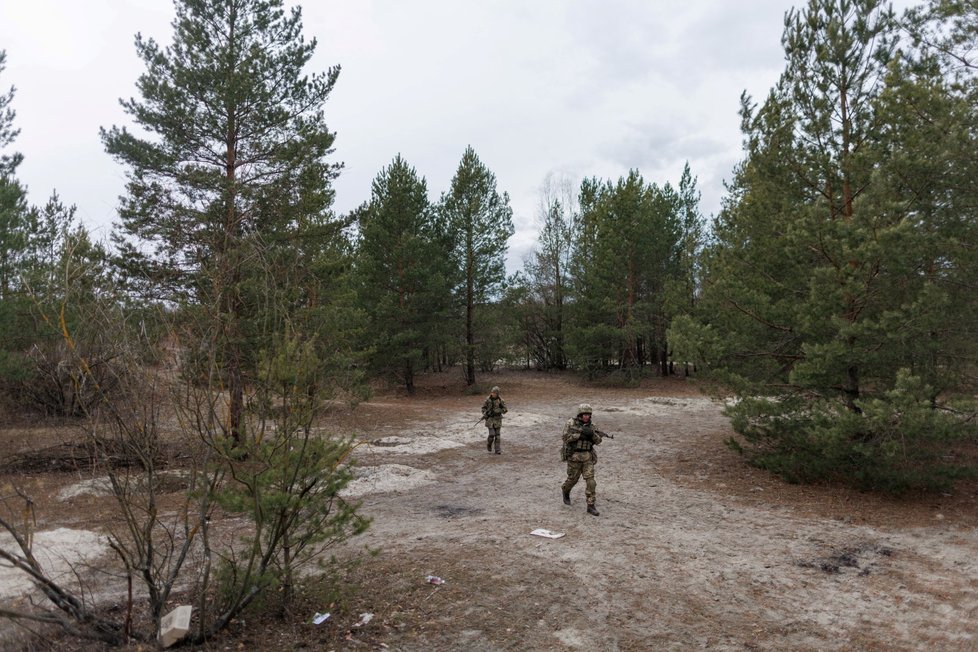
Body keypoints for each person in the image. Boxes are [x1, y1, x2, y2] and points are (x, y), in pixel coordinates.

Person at [561, 403, 604, 516]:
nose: (586, 416)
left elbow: (599, 441)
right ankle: (565, 490)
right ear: (580, 414)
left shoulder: (592, 426)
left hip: (587, 457)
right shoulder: (571, 423)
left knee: (591, 481)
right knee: (572, 480)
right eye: (584, 414)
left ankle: (590, 505)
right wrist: (579, 435)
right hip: (574, 457)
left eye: (588, 414)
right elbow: (565, 438)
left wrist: (592, 435)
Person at [481, 386, 508, 454]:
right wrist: (485, 413)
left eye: (494, 393)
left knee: (497, 436)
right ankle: (489, 444)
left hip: (498, 420)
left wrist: (498, 411)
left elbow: (505, 410)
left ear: (497, 394)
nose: (492, 394)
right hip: (490, 420)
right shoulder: (488, 400)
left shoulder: (501, 400)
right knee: (492, 434)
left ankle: (497, 450)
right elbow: (483, 408)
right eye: (492, 392)